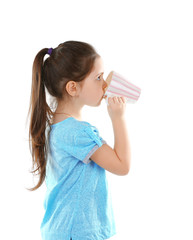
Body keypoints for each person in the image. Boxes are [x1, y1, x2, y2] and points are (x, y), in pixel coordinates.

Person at [27, 40, 131, 240]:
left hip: (63, 230)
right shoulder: (78, 133)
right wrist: (118, 118)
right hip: (77, 232)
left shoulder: (57, 128)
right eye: (98, 78)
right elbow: (122, 165)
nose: (105, 84)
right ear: (73, 88)